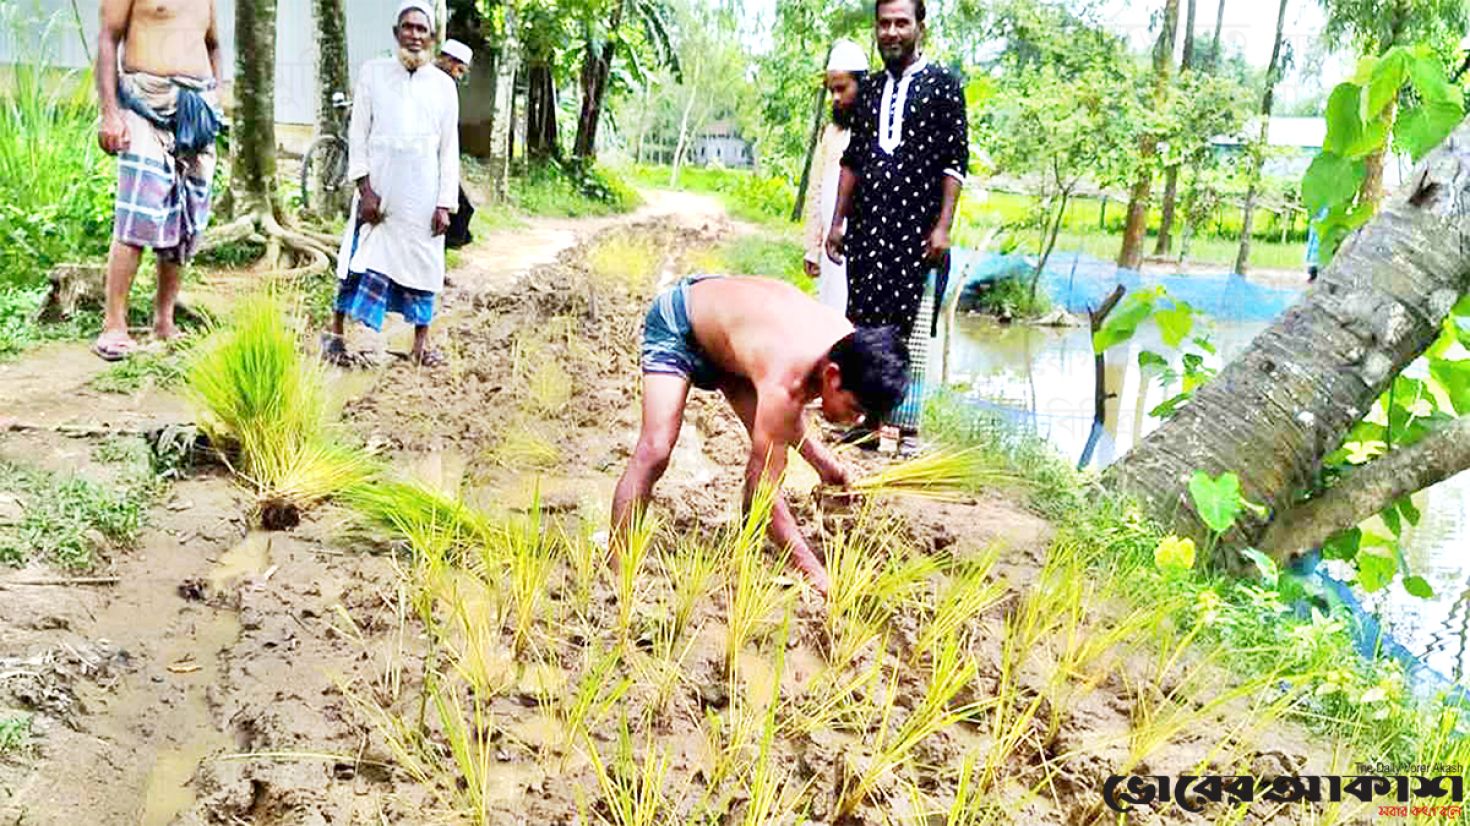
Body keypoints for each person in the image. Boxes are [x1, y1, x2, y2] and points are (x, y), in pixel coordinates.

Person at [611, 276, 909, 594]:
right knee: (655, 449)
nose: (856, 420)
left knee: (772, 435)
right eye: (854, 408)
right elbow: (761, 494)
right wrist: (816, 574)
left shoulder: (850, 347)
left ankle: (741, 563)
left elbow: (786, 419)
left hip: (733, 342)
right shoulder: (787, 377)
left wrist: (824, 465)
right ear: (833, 376)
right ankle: (615, 572)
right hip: (683, 320)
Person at [826, 0, 968, 454]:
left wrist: (943, 227)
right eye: (884, 23)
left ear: (919, 27)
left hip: (918, 233)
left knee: (911, 332)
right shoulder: (866, 91)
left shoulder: (944, 85)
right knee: (865, 329)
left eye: (900, 23)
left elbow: (954, 164)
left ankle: (907, 432)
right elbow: (853, 161)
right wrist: (837, 223)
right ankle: (868, 424)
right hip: (869, 230)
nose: (891, 32)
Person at [325, 1, 460, 368]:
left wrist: (444, 203)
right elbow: (358, 134)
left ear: (432, 38)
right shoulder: (373, 73)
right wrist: (364, 188)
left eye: (422, 29)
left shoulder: (445, 86)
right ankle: (336, 336)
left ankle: (420, 344)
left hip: (422, 195)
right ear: (396, 32)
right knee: (357, 258)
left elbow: (449, 149)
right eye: (408, 27)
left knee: (423, 264)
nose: (414, 35)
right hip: (379, 194)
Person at [92, 0, 223, 361]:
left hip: (197, 109)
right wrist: (109, 114)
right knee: (137, 213)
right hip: (143, 103)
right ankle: (113, 324)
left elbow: (213, 44)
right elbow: (108, 38)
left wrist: (218, 96)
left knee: (186, 220)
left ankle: (164, 320)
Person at [802, 39, 869, 314]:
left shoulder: (874, 130)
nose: (835, 98)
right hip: (832, 247)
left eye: (842, 89)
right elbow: (817, 190)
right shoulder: (831, 134)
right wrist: (812, 247)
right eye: (831, 91)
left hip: (864, 247)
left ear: (862, 85)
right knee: (830, 318)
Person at [435, 39, 477, 251]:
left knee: (459, 210)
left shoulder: (446, 86)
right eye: (459, 70)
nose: (458, 76)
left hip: (440, 159)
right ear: (449, 61)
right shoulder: (431, 82)